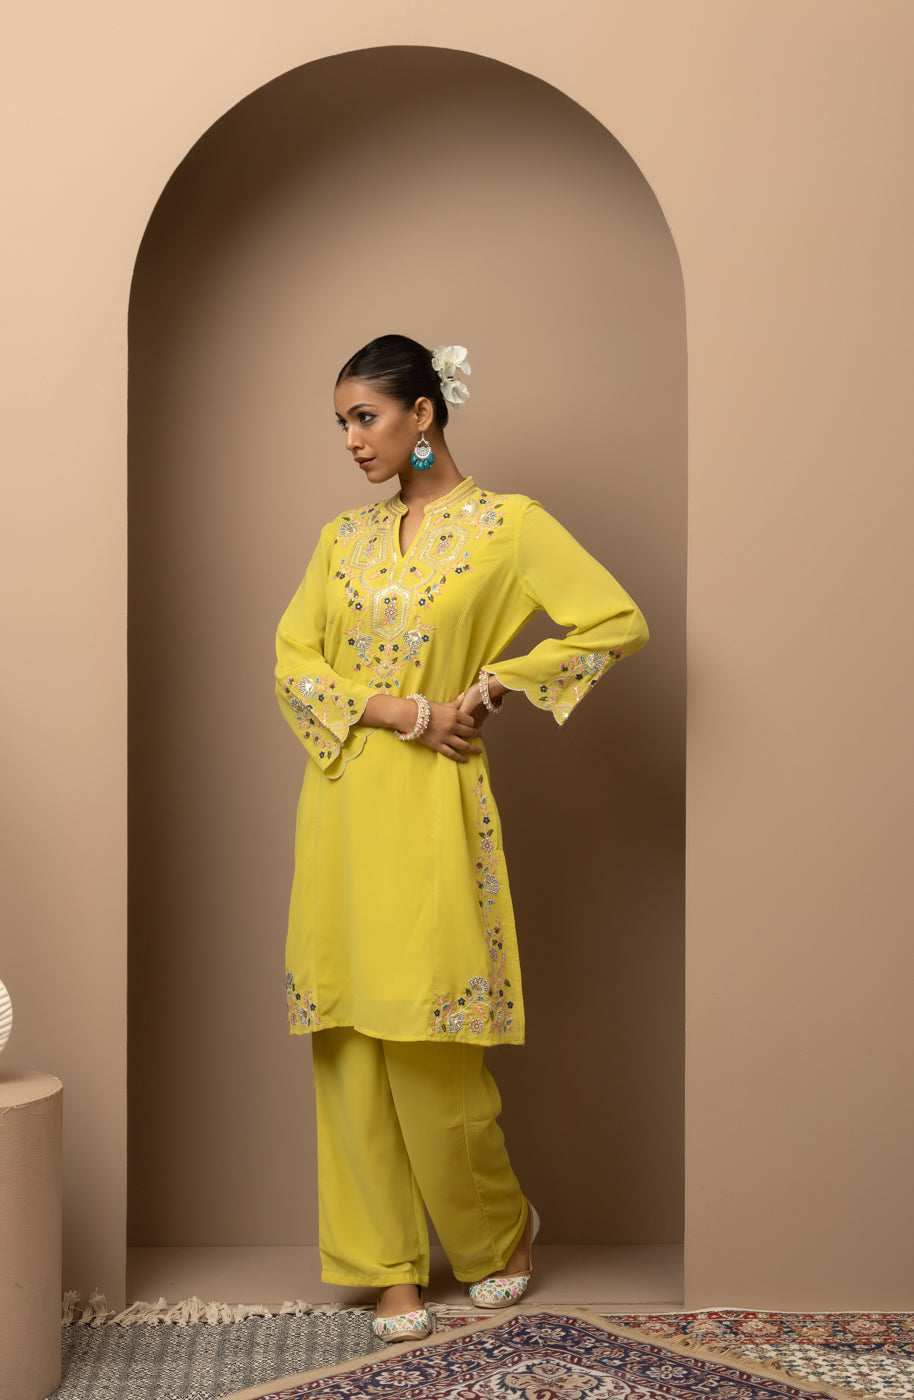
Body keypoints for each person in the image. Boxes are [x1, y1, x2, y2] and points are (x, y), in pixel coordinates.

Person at [274, 334, 648, 1343]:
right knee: (349, 1041)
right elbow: (292, 661)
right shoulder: (341, 538)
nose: (352, 440)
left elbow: (614, 620)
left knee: (431, 1043)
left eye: (366, 417)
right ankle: (386, 1269)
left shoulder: (508, 526)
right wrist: (406, 710)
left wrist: (497, 684)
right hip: (342, 801)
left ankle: (497, 1231)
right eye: (342, 422)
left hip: (434, 808)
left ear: (424, 414)